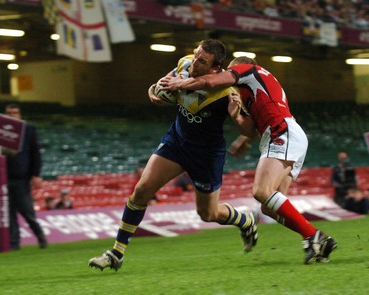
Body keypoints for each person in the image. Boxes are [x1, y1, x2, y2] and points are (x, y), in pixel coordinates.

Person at [88, 39, 259, 271]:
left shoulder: (228, 92)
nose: (195, 63)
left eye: (202, 61)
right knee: (142, 190)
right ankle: (117, 252)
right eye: (196, 55)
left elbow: (251, 127)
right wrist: (153, 92)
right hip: (176, 142)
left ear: (215, 69)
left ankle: (245, 220)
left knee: (207, 213)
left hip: (206, 154)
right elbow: (158, 86)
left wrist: (239, 124)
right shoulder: (184, 64)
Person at [159, 55, 337, 264]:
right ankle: (314, 239)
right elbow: (251, 127)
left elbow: (210, 82)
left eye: (231, 73)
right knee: (270, 206)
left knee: (262, 191)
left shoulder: (249, 71)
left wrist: (178, 82)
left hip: (281, 133)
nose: (229, 77)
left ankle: (315, 236)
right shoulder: (251, 90)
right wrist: (237, 121)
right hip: (288, 135)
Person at [4, 103, 47, 250]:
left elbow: (36, 153)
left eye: (14, 113)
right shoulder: (1, 132)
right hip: (5, 179)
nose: (12, 115)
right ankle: (14, 244)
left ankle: (40, 236)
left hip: (22, 179)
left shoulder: (28, 130)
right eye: (9, 113)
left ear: (20, 115)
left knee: (27, 211)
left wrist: (36, 175)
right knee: (8, 214)